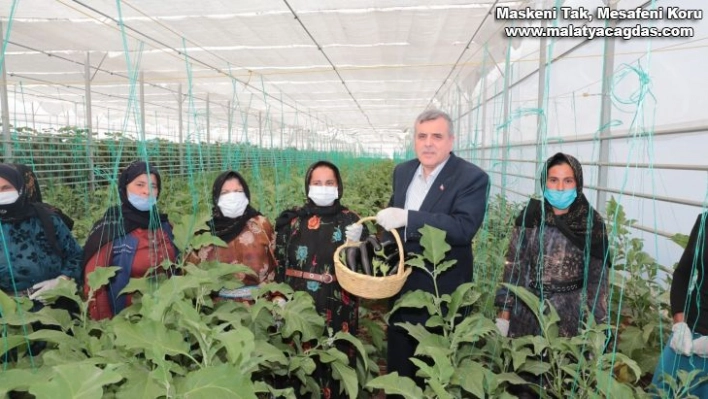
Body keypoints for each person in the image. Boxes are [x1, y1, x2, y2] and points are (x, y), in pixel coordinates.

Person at [372, 109, 489, 387]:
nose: (428, 143)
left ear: (451, 141)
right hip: (402, 288)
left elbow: (463, 228)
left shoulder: (471, 177)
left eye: (437, 136)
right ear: (414, 140)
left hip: (441, 294)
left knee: (437, 370)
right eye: (422, 136)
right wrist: (372, 239)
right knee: (401, 364)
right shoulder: (403, 172)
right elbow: (394, 228)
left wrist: (410, 218)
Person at [274, 160, 365, 398]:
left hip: (336, 304)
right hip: (298, 306)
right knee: (299, 365)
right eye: (317, 183)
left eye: (329, 183)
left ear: (338, 187)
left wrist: (360, 242)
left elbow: (370, 268)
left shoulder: (351, 220)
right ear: (308, 187)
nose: (323, 188)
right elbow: (279, 262)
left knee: (334, 361)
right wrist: (278, 296)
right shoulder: (292, 221)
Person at [494, 152, 610, 339]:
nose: (560, 188)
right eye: (554, 180)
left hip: (570, 316)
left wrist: (598, 329)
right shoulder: (532, 216)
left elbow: (598, 281)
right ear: (544, 183)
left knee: (562, 364)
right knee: (524, 362)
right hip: (527, 311)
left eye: (568, 181)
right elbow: (514, 267)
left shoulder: (591, 223)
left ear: (578, 184)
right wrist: (504, 314)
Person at [82, 160, 178, 320]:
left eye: (153, 186)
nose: (147, 191)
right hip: (127, 320)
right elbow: (94, 284)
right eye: (140, 185)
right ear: (125, 187)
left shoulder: (165, 225)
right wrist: (107, 327)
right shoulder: (111, 228)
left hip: (165, 316)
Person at [0, 163, 83, 303]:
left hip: (54, 305)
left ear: (20, 188)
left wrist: (62, 281)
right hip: (8, 315)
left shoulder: (46, 219)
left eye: (6, 188)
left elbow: (76, 256)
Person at [188, 170, 277, 301]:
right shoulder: (204, 231)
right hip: (217, 313)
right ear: (216, 198)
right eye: (225, 193)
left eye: (238, 192)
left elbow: (276, 264)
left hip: (259, 307)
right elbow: (191, 274)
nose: (233, 197)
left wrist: (276, 297)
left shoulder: (261, 224)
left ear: (246, 194)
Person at [652, 212, 708, 397]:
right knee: (661, 391)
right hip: (689, 334)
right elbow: (683, 273)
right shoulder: (705, 221)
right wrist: (680, 324)